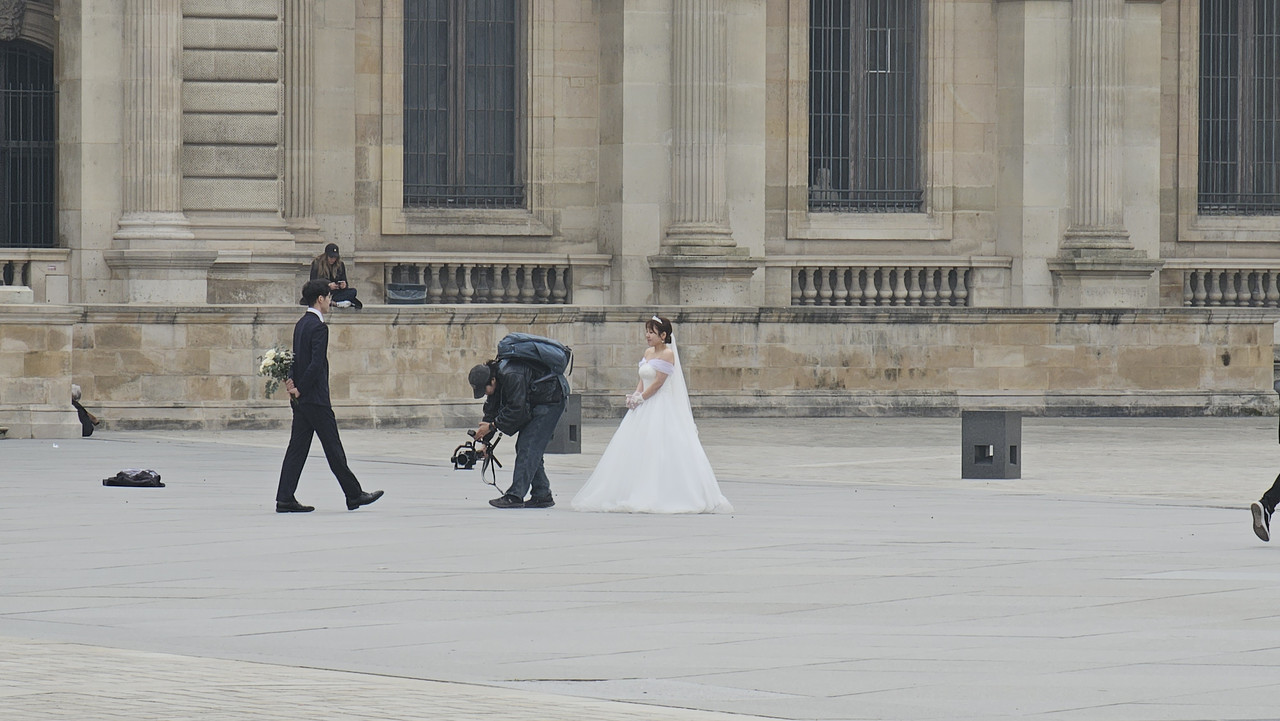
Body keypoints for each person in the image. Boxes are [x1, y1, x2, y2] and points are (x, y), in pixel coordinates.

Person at [571, 315, 732, 514]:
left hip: (660, 403)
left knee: (661, 445)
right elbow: (643, 378)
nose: (647, 336)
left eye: (652, 332)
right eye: (647, 332)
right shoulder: (648, 352)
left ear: (663, 335)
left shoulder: (668, 354)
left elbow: (658, 383)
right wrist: (635, 395)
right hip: (644, 403)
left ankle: (667, 492)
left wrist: (642, 397)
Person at [274, 278, 383, 513]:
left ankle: (284, 497)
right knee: (333, 448)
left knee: (297, 449)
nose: (330, 302)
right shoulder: (319, 327)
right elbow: (315, 364)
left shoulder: (301, 324)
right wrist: (301, 387)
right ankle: (354, 495)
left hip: (301, 401)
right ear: (321, 298)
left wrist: (292, 383)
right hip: (315, 399)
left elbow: (295, 359)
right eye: (329, 298)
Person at [469, 353, 567, 509]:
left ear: (492, 380)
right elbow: (492, 409)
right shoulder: (497, 379)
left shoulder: (511, 375)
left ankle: (515, 496)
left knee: (528, 445)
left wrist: (493, 426)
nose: (485, 393)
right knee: (529, 446)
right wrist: (485, 443)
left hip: (550, 401)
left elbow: (516, 409)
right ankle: (542, 494)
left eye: (484, 390)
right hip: (536, 402)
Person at [310, 243, 362, 309]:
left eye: (335, 257)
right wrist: (327, 285)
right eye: (331, 257)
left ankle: (334, 302)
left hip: (335, 293)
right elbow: (313, 283)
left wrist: (343, 285)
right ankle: (336, 302)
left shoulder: (340, 265)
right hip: (322, 292)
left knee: (353, 292)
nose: (333, 260)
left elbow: (344, 281)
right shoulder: (317, 264)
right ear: (326, 256)